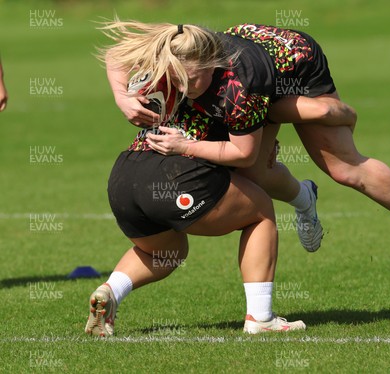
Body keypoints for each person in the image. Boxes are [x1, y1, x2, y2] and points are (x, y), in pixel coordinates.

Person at [102, 21, 390, 273]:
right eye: (179, 78)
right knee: (255, 172)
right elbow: (115, 55)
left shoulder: (242, 86)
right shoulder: (178, 49)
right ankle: (306, 200)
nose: (184, 86)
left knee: (342, 168)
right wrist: (122, 99)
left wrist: (185, 146)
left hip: (296, 69)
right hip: (258, 63)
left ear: (211, 66)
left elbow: (243, 152)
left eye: (192, 81)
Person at [86, 44, 306, 335]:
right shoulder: (239, 86)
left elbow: (116, 52)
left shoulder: (170, 71)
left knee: (171, 251)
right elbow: (244, 154)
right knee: (261, 211)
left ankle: (110, 292)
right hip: (173, 176)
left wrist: (122, 97)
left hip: (125, 175)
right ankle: (261, 318)